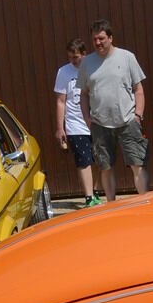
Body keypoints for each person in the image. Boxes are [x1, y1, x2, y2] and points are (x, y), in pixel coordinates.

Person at [78, 19, 149, 199]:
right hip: (100, 124)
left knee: (137, 164)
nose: (98, 43)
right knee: (105, 167)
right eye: (95, 39)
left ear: (111, 38)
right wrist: (87, 118)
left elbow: (138, 89)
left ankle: (145, 202)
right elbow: (84, 94)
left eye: (101, 38)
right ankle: (111, 205)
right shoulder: (87, 63)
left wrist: (138, 115)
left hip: (128, 122)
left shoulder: (127, 57)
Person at [54, 38, 101, 207]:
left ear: (84, 54)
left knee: (96, 160)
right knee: (84, 160)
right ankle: (88, 197)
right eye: (70, 58)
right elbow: (60, 101)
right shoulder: (63, 72)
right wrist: (60, 128)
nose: (73, 61)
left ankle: (95, 192)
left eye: (76, 57)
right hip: (75, 124)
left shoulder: (93, 68)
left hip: (95, 122)